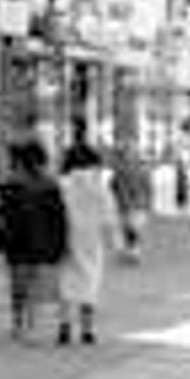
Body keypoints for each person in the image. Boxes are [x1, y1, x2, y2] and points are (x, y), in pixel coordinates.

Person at [0, 142, 71, 343]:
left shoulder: (10, 185)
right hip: (41, 243)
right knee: (34, 285)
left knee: (19, 285)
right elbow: (59, 218)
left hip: (17, 242)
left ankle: (19, 324)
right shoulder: (50, 186)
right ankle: (29, 325)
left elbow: (0, 216)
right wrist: (61, 244)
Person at [57, 142, 122, 346]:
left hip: (65, 235)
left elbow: (53, 212)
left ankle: (64, 326)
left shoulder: (62, 184)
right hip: (92, 238)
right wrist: (116, 244)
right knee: (90, 281)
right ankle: (87, 329)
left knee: (65, 280)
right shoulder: (99, 187)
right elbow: (110, 216)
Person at [109, 146, 154, 263]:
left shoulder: (140, 172)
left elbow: (148, 188)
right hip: (128, 204)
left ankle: (133, 251)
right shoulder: (119, 172)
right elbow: (113, 188)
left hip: (135, 204)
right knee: (128, 228)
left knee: (132, 228)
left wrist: (148, 203)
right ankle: (132, 250)